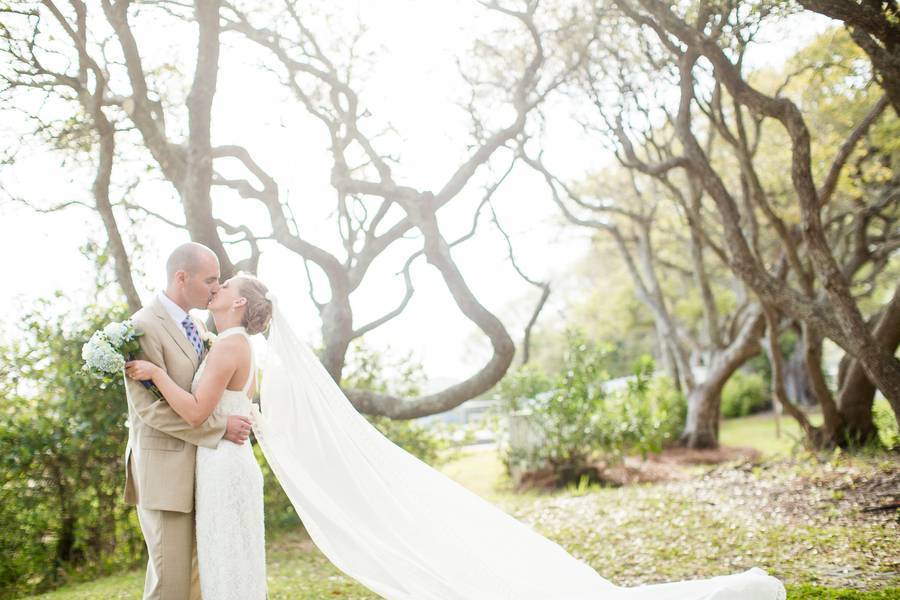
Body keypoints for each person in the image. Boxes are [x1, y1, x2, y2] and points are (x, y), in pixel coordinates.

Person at [126, 273, 273, 600]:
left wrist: (157, 374)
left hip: (222, 465)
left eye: (225, 284)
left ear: (239, 302)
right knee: (231, 565)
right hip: (227, 462)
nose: (217, 287)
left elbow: (195, 412)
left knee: (223, 567)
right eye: (213, 280)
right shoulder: (235, 344)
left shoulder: (226, 346)